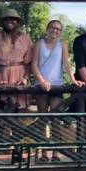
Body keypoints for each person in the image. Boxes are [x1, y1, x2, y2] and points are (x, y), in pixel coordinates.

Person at [31, 19, 78, 161]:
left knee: (56, 118)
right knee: (43, 118)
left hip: (57, 84)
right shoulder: (39, 44)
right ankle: (43, 151)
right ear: (47, 29)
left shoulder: (62, 44)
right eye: (52, 28)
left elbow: (66, 63)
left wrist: (73, 79)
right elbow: (33, 64)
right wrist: (42, 81)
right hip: (41, 85)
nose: (55, 31)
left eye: (58, 29)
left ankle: (56, 152)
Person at [0, 9, 34, 108]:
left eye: (12, 19)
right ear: (2, 22)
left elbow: (28, 62)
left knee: (17, 108)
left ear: (18, 22)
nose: (9, 22)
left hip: (18, 77)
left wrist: (25, 78)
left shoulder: (25, 38)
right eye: (6, 20)